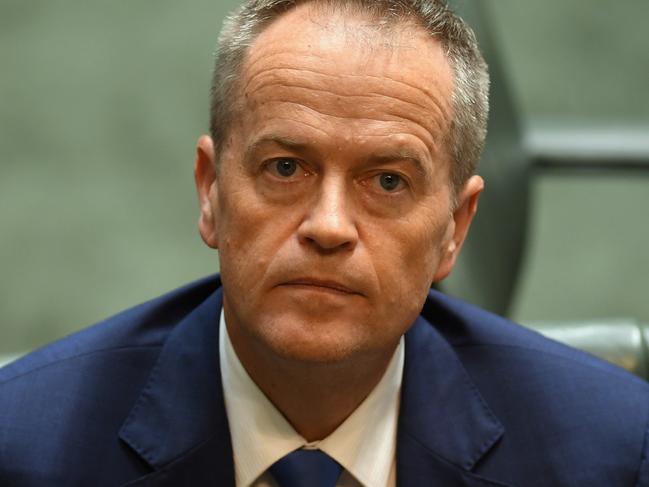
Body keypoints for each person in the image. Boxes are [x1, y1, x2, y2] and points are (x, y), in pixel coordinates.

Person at [1, 0, 648, 486]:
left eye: (387, 180)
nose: (329, 225)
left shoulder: (610, 452)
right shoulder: (25, 447)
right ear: (210, 192)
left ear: (455, 226)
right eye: (285, 168)